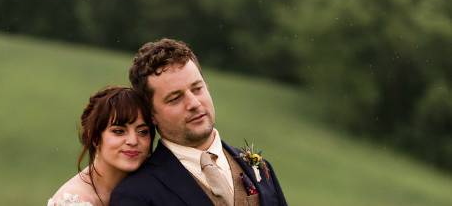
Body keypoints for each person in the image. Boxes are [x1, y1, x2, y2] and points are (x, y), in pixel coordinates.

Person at [110, 38, 288, 206]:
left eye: (197, 89)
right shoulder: (136, 194)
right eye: (175, 98)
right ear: (151, 114)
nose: (194, 103)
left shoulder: (261, 168)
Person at [48, 86, 155, 206]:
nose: (133, 141)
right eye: (119, 131)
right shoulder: (74, 200)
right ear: (95, 137)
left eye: (142, 132)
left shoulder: (152, 188)